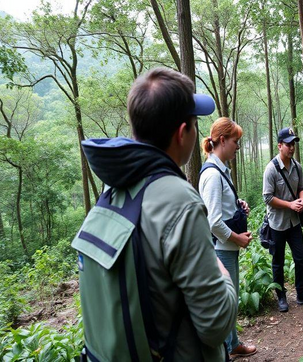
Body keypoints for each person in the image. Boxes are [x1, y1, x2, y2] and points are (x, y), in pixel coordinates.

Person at [77, 68, 237, 360]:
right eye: (194, 123)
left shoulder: (113, 192)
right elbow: (215, 326)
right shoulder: (180, 202)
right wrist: (224, 275)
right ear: (181, 133)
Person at [199, 117, 257, 359]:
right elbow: (212, 222)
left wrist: (237, 203)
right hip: (222, 249)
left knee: (229, 299)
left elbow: (219, 208)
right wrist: (236, 238)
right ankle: (224, 351)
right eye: (236, 142)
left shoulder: (221, 170)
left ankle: (232, 345)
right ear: (222, 140)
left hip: (227, 247)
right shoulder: (213, 175)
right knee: (226, 301)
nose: (237, 147)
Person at [262, 127, 303, 312]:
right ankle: (281, 297)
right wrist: (289, 204)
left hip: (294, 222)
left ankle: (301, 293)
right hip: (277, 224)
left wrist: (301, 199)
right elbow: (268, 198)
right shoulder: (271, 169)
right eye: (288, 144)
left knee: (300, 257)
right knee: (278, 261)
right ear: (279, 146)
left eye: (293, 144)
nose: (291, 147)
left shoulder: (297, 166)